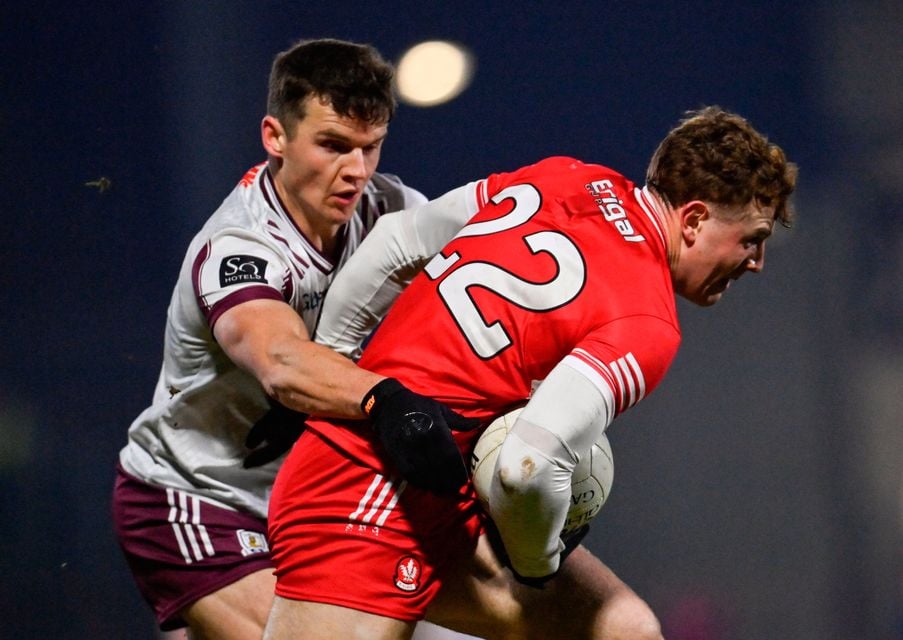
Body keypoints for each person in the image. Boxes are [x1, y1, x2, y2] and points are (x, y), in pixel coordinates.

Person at [263, 106, 798, 639]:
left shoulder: (564, 175)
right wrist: (536, 564)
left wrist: (330, 366)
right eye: (752, 238)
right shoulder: (648, 321)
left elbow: (395, 241)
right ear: (696, 219)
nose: (757, 261)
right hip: (365, 490)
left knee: (623, 629)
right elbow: (526, 468)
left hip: (435, 490)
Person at [112, 38, 477, 640]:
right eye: (333, 145)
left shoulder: (388, 208)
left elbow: (482, 275)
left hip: (311, 506)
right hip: (199, 504)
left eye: (370, 146)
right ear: (275, 137)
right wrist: (386, 401)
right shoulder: (240, 246)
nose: (356, 170)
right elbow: (280, 359)